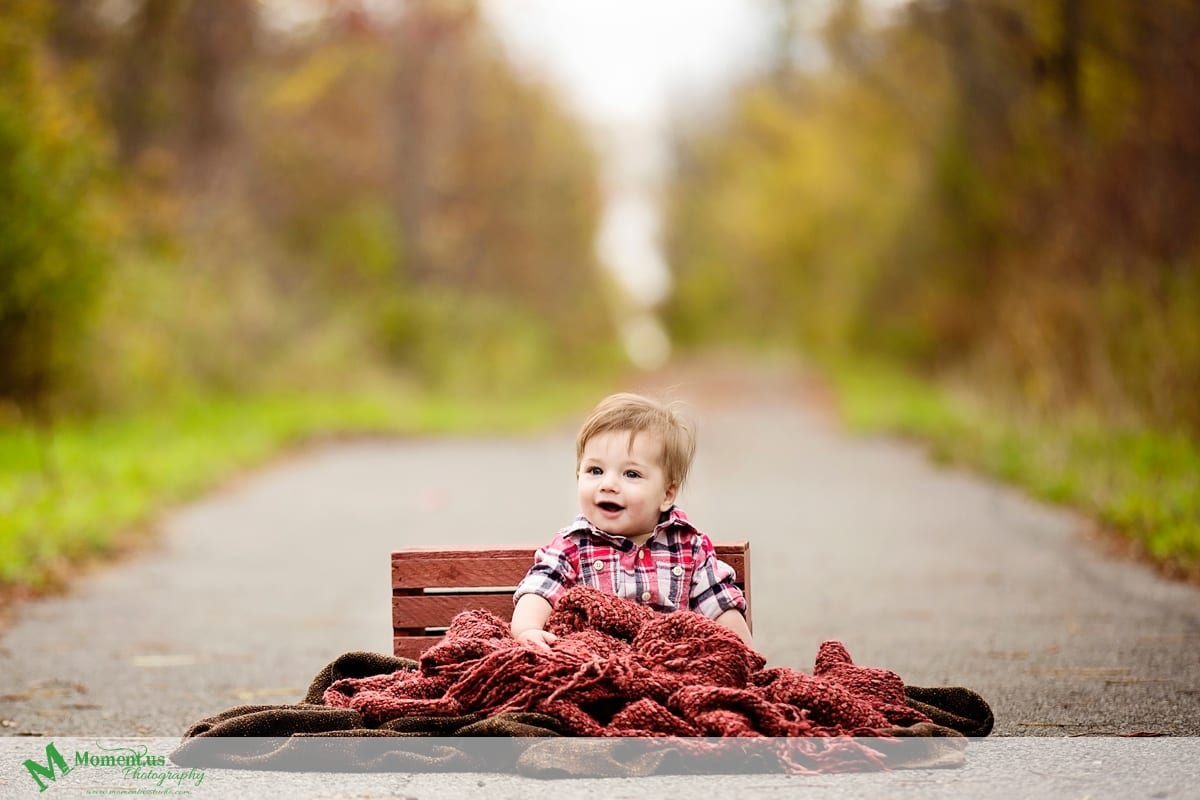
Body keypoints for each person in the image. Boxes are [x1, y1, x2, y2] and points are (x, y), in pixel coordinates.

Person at [511, 392, 753, 649]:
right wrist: (528, 628)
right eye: (595, 471)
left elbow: (720, 605)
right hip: (595, 661)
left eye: (631, 474)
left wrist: (746, 655)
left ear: (667, 494)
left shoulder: (688, 546)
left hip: (665, 660)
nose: (609, 484)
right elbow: (540, 589)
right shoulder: (574, 544)